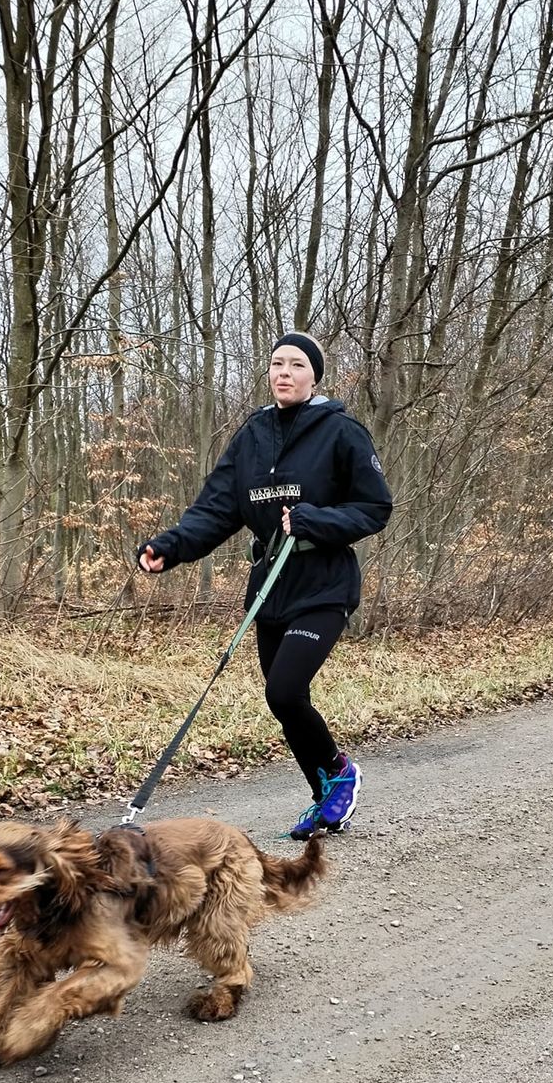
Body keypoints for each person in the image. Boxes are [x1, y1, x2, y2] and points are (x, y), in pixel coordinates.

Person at [137, 331, 392, 838]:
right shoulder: (252, 436)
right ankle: (327, 797)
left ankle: (340, 774)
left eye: (297, 364)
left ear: (314, 375)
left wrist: (315, 520)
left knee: (285, 687)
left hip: (323, 585)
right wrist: (171, 546)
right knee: (281, 701)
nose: (284, 372)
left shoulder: (342, 432)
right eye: (277, 363)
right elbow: (216, 510)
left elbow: (374, 507)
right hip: (270, 588)